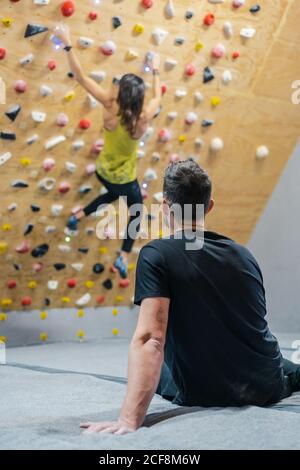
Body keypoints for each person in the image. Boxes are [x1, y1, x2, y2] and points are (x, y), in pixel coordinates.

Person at [80, 159, 300, 435]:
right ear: (209, 206)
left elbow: (151, 339)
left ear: (164, 207)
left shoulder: (156, 255)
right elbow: (252, 327)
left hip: (203, 390)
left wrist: (128, 419)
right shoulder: (244, 254)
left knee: (156, 375)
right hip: (265, 386)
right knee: (285, 364)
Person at [53, 24, 162, 278]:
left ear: (121, 94)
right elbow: (159, 96)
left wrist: (67, 41)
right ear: (138, 99)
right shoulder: (143, 118)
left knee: (113, 193)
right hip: (123, 178)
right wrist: (155, 67)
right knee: (137, 210)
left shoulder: (109, 105)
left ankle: (79, 214)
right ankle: (123, 256)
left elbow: (80, 77)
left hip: (102, 171)